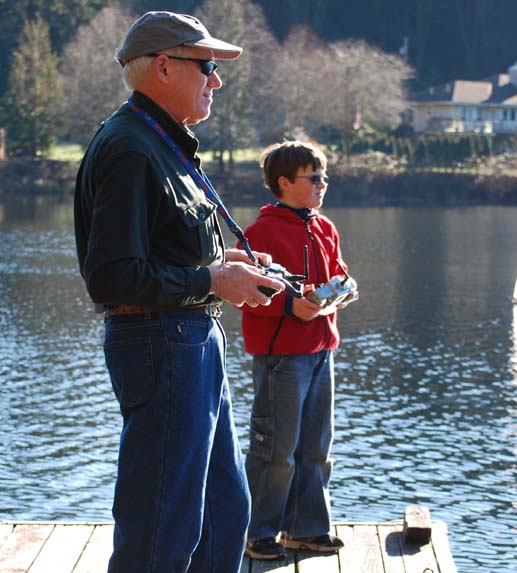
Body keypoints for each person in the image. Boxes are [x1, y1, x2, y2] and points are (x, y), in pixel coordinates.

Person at [73, 11, 283, 573]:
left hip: (189, 339)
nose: (215, 80)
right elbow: (111, 276)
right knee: (163, 526)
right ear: (164, 67)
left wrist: (225, 264)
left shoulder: (161, 141)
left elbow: (164, 251)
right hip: (160, 341)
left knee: (223, 514)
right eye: (207, 66)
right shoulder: (130, 148)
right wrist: (215, 280)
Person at [239, 141, 358, 560]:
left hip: (321, 350)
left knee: (315, 449)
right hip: (282, 359)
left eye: (323, 176)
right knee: (275, 450)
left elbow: (339, 274)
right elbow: (246, 292)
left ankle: (305, 529)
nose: (323, 184)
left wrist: (344, 290)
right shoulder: (259, 234)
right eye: (314, 178)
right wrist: (291, 304)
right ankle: (257, 534)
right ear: (285, 183)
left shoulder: (325, 228)